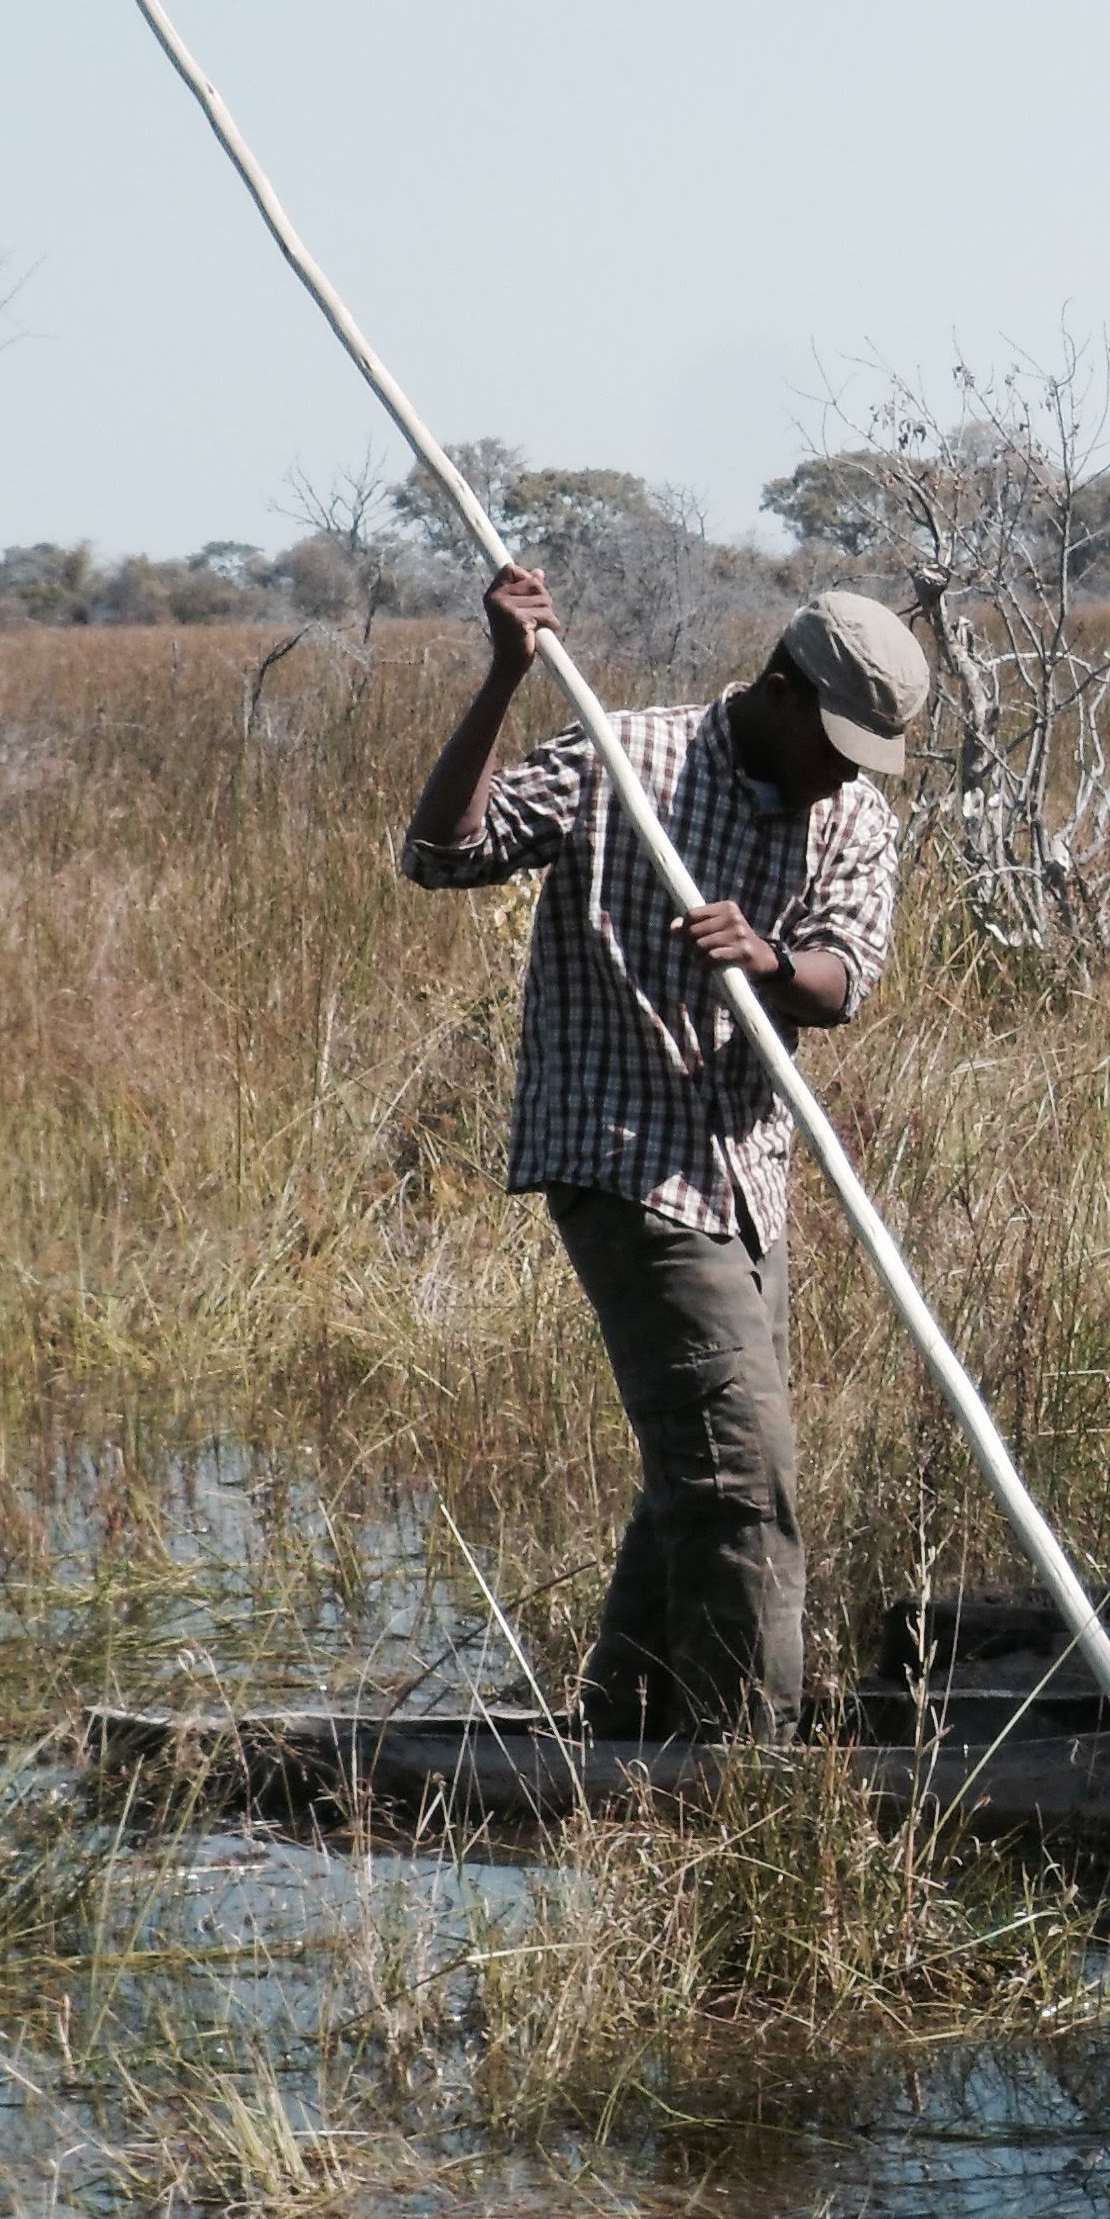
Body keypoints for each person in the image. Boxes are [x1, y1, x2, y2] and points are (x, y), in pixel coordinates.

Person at [402, 563, 928, 1741]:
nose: (846, 771)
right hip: (624, 1158)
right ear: (782, 692)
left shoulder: (852, 815)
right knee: (744, 1477)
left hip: (748, 1179)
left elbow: (846, 974)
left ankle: (627, 1724)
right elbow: (442, 854)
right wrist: (503, 677)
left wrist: (773, 965)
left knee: (696, 1464)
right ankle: (751, 1770)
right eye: (837, 742)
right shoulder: (621, 760)